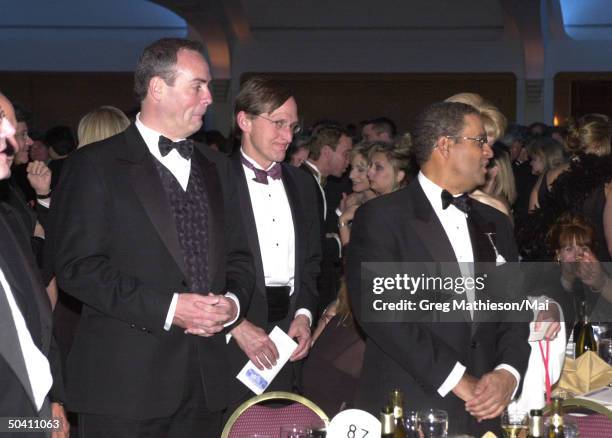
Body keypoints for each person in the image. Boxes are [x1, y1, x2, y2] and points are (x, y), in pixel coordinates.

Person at [48, 38, 254, 437]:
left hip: (207, 384)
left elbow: (241, 256)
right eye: (198, 85)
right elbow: (76, 268)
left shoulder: (217, 167)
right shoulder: (95, 165)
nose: (210, 97)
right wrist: (169, 308)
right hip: (125, 386)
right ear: (158, 88)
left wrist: (231, 304)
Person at [346, 102, 530, 436]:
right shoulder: (382, 218)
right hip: (412, 406)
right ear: (445, 145)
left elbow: (515, 311)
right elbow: (383, 315)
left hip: (485, 412)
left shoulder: (495, 223)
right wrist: (458, 380)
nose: (489, 151)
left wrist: (508, 373)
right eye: (480, 141)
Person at [226, 77, 321, 412]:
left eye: (292, 126)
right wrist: (234, 324)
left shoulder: (303, 184)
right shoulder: (214, 180)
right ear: (245, 121)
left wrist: (305, 316)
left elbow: (312, 263)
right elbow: (197, 267)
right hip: (231, 334)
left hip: (288, 332)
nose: (288, 135)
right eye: (278, 123)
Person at [0, 92, 69, 438]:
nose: (11, 139)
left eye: (12, 128)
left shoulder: (9, 218)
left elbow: (34, 320)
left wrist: (52, 400)